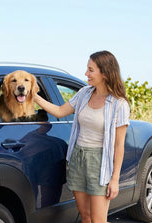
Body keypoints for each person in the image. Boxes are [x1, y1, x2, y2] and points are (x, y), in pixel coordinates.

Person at [34, 50, 130, 223]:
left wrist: (115, 180)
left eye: (91, 70)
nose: (86, 74)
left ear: (105, 73)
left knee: (98, 220)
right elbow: (59, 111)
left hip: (100, 164)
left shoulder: (119, 104)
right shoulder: (84, 93)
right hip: (78, 159)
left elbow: (119, 145)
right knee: (85, 217)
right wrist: (33, 96)